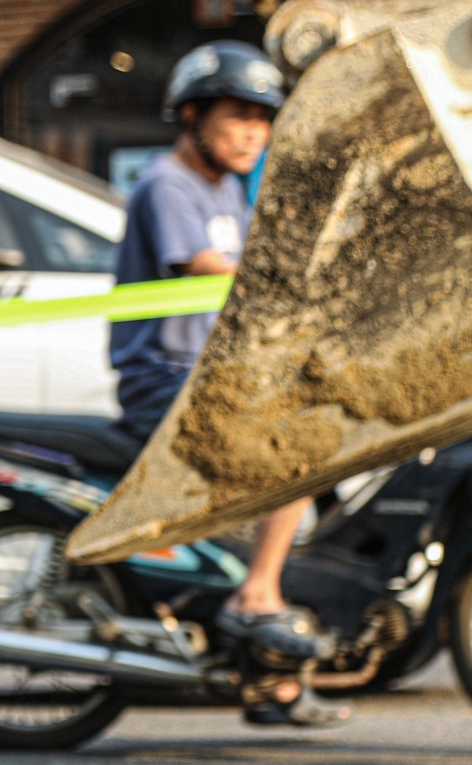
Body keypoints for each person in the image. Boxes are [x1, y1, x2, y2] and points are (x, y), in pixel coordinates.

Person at [108, 40, 347, 727]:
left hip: (211, 373)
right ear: (191, 114)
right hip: (166, 377)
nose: (253, 132)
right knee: (299, 449)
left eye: (262, 118)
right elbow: (208, 267)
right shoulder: (167, 184)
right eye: (238, 115)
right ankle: (259, 597)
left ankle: (270, 678)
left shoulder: (224, 189)